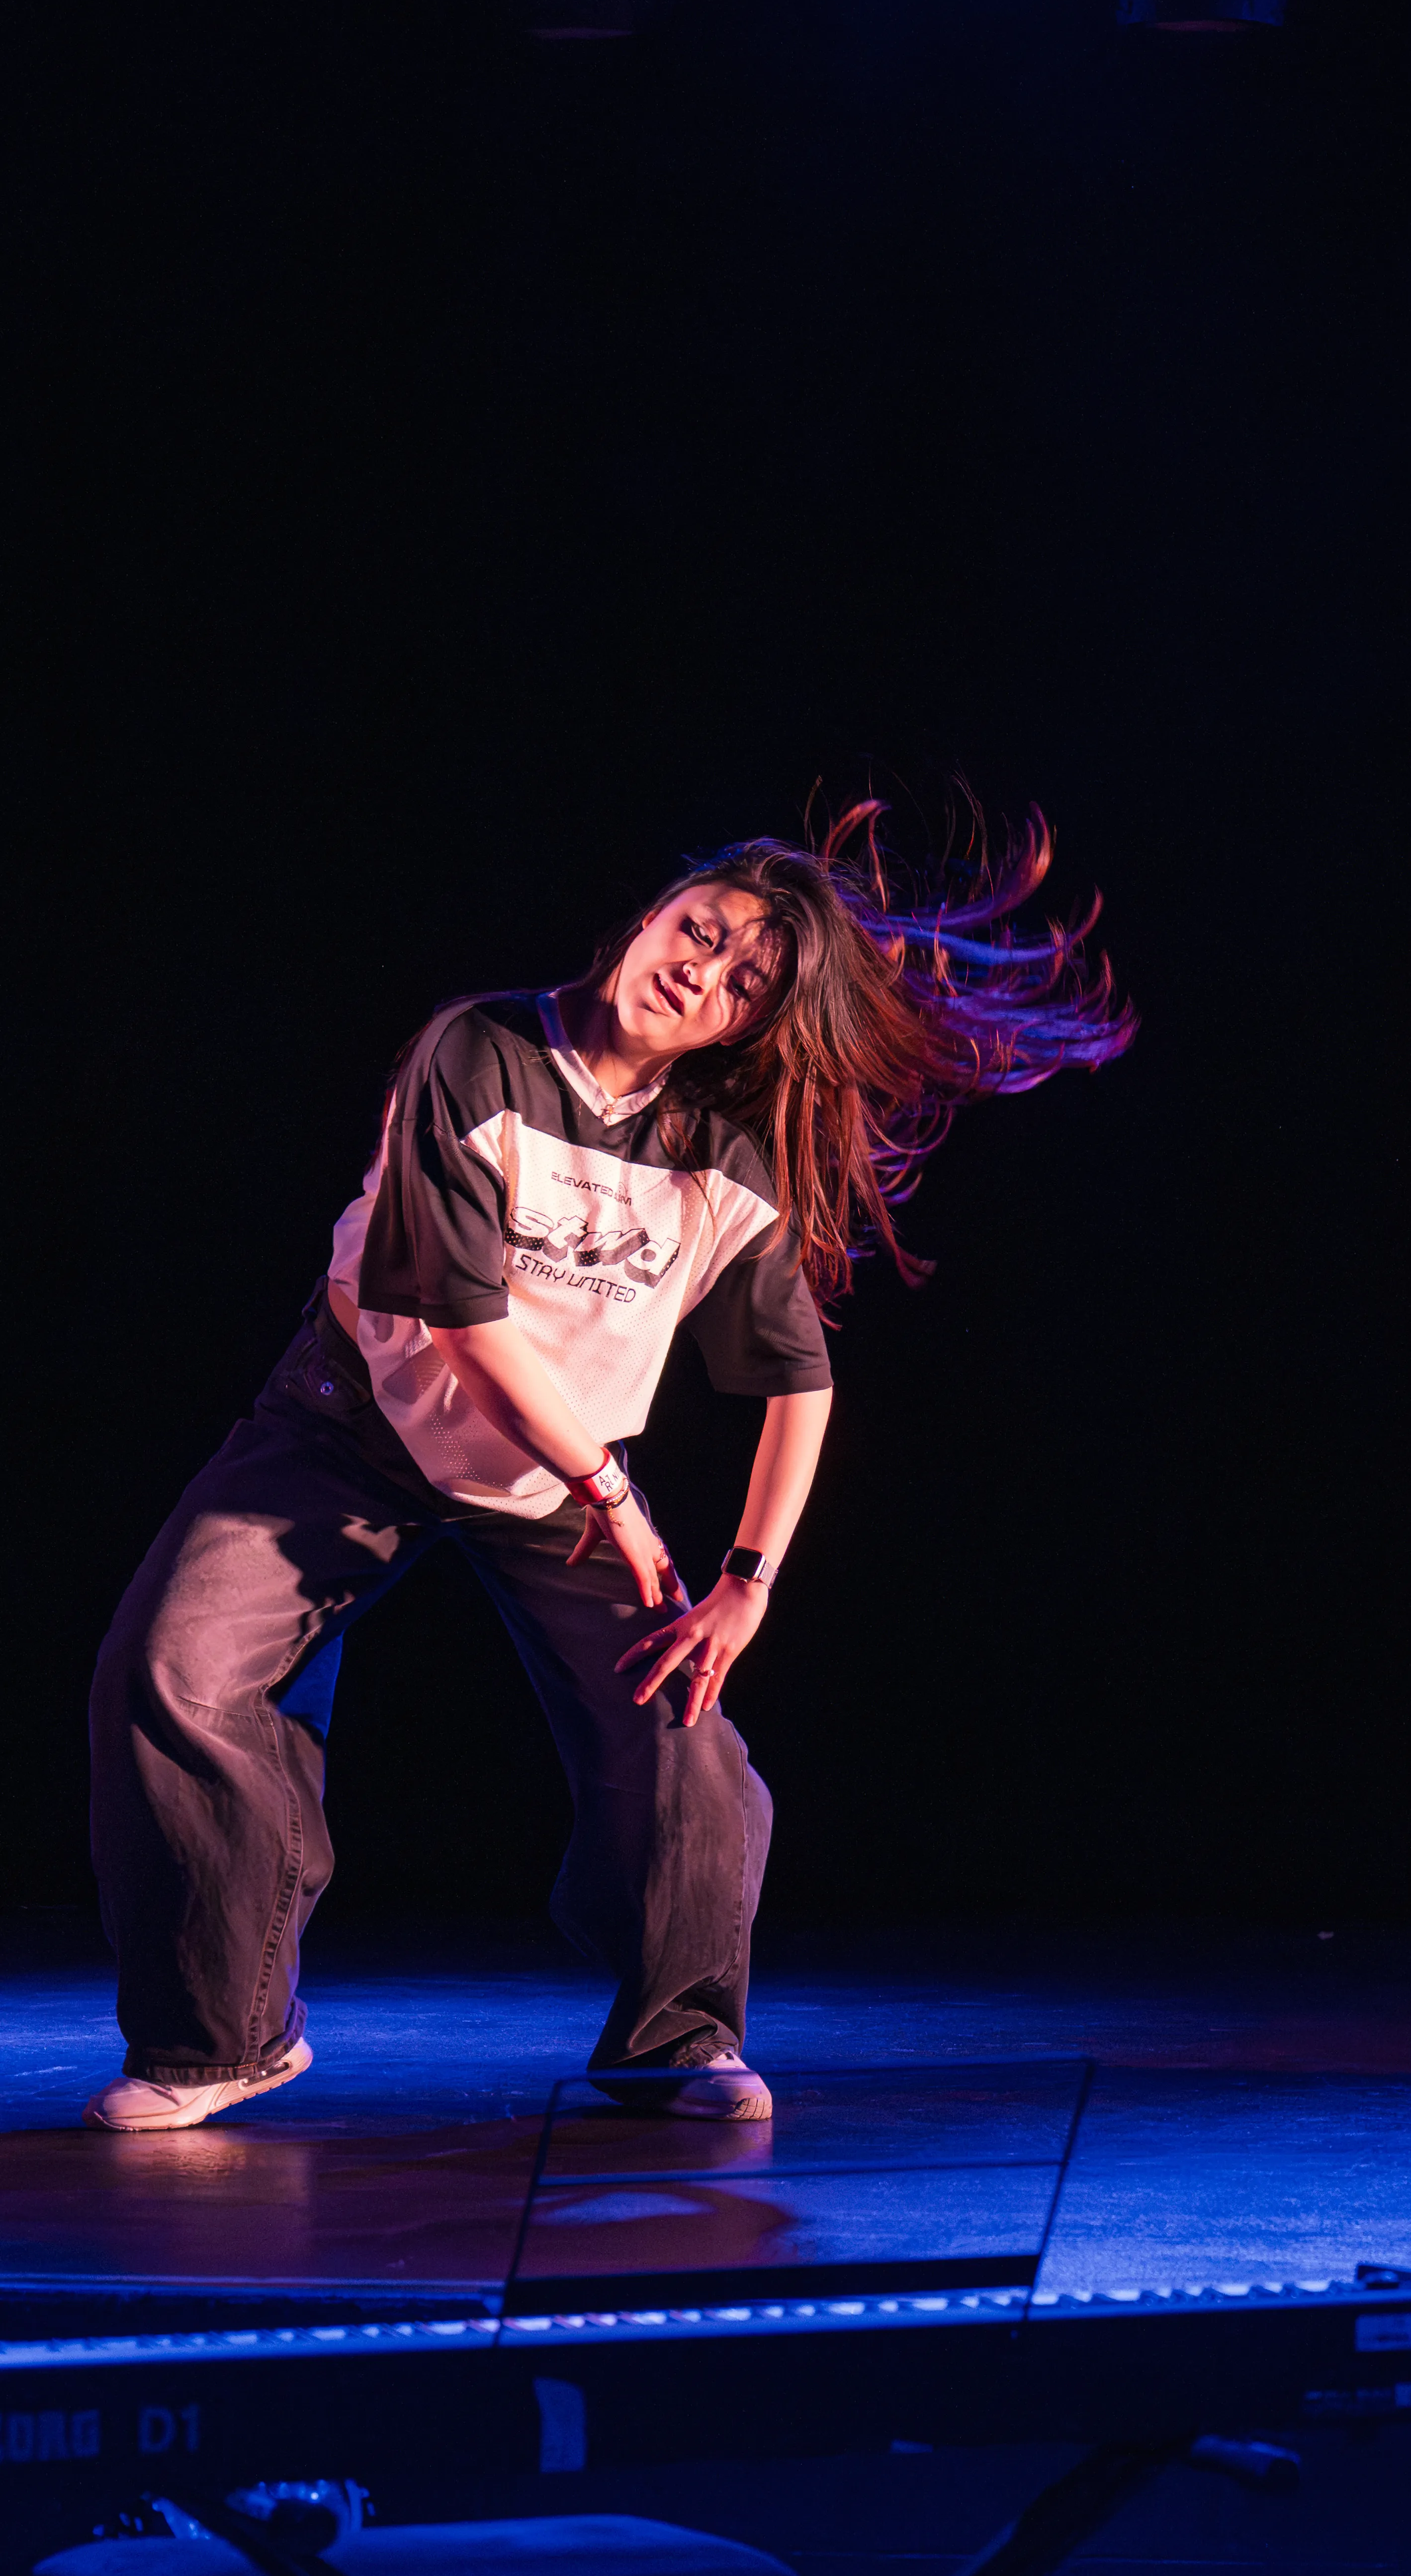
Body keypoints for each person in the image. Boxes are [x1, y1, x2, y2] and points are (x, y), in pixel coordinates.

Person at [85, 799, 1132, 2131]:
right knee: (173, 1666)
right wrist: (621, 1506)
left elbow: (798, 1385)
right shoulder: (480, 1051)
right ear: (654, 916)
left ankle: (675, 2039)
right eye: (702, 932)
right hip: (352, 1427)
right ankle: (219, 2039)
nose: (703, 970)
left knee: (681, 1711)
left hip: (557, 1474)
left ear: (749, 1029)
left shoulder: (720, 1154)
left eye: (744, 981)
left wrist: (745, 1581)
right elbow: (465, 1328)